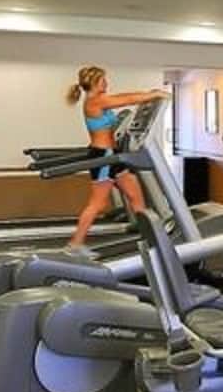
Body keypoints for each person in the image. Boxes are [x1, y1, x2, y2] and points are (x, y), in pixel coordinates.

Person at [64, 65, 170, 258]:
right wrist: (153, 94)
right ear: (94, 82)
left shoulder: (99, 100)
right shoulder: (95, 101)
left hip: (114, 155)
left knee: (135, 195)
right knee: (98, 203)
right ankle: (75, 244)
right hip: (103, 156)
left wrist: (149, 95)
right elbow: (127, 99)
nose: (106, 82)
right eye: (103, 80)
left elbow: (124, 97)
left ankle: (149, 239)